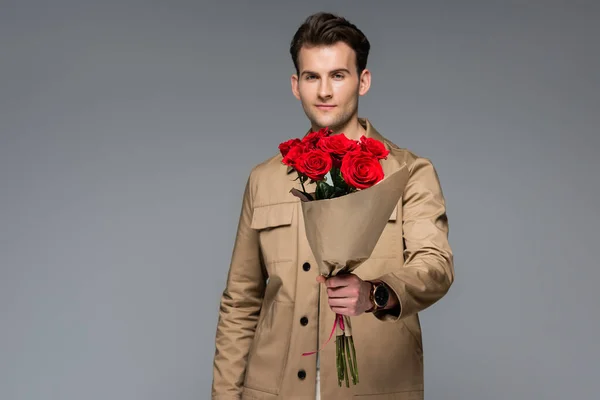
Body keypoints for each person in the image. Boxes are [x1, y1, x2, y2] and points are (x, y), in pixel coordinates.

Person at [211, 12, 454, 400]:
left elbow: (436, 266)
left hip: (377, 388)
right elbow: (241, 300)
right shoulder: (264, 179)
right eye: (312, 77)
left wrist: (375, 293)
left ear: (364, 80)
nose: (325, 91)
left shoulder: (410, 172)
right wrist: (225, 395)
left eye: (338, 75)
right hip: (274, 390)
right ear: (296, 85)